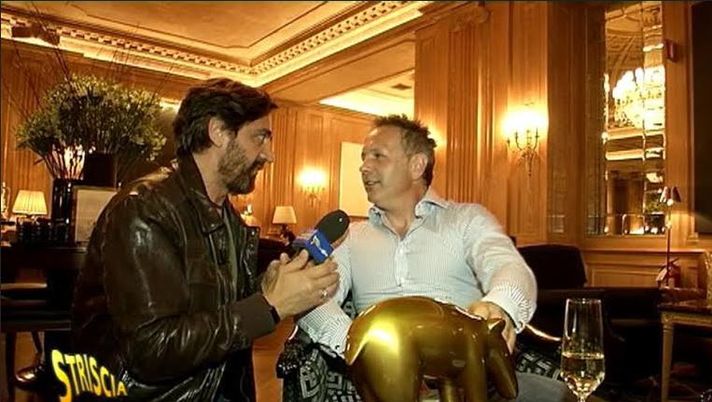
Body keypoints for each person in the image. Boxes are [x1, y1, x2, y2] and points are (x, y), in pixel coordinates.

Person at [72, 78, 339, 401]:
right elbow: (153, 350)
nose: (269, 155)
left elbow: (215, 308)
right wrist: (268, 306)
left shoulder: (227, 215)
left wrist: (265, 288)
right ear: (218, 132)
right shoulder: (145, 210)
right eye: (260, 137)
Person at [297, 114, 577, 402]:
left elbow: (509, 267)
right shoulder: (350, 237)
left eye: (378, 156)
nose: (364, 167)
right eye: (364, 157)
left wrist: (500, 307)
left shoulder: (467, 220)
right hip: (381, 389)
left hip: (470, 383)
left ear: (417, 165)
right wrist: (359, 344)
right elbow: (314, 299)